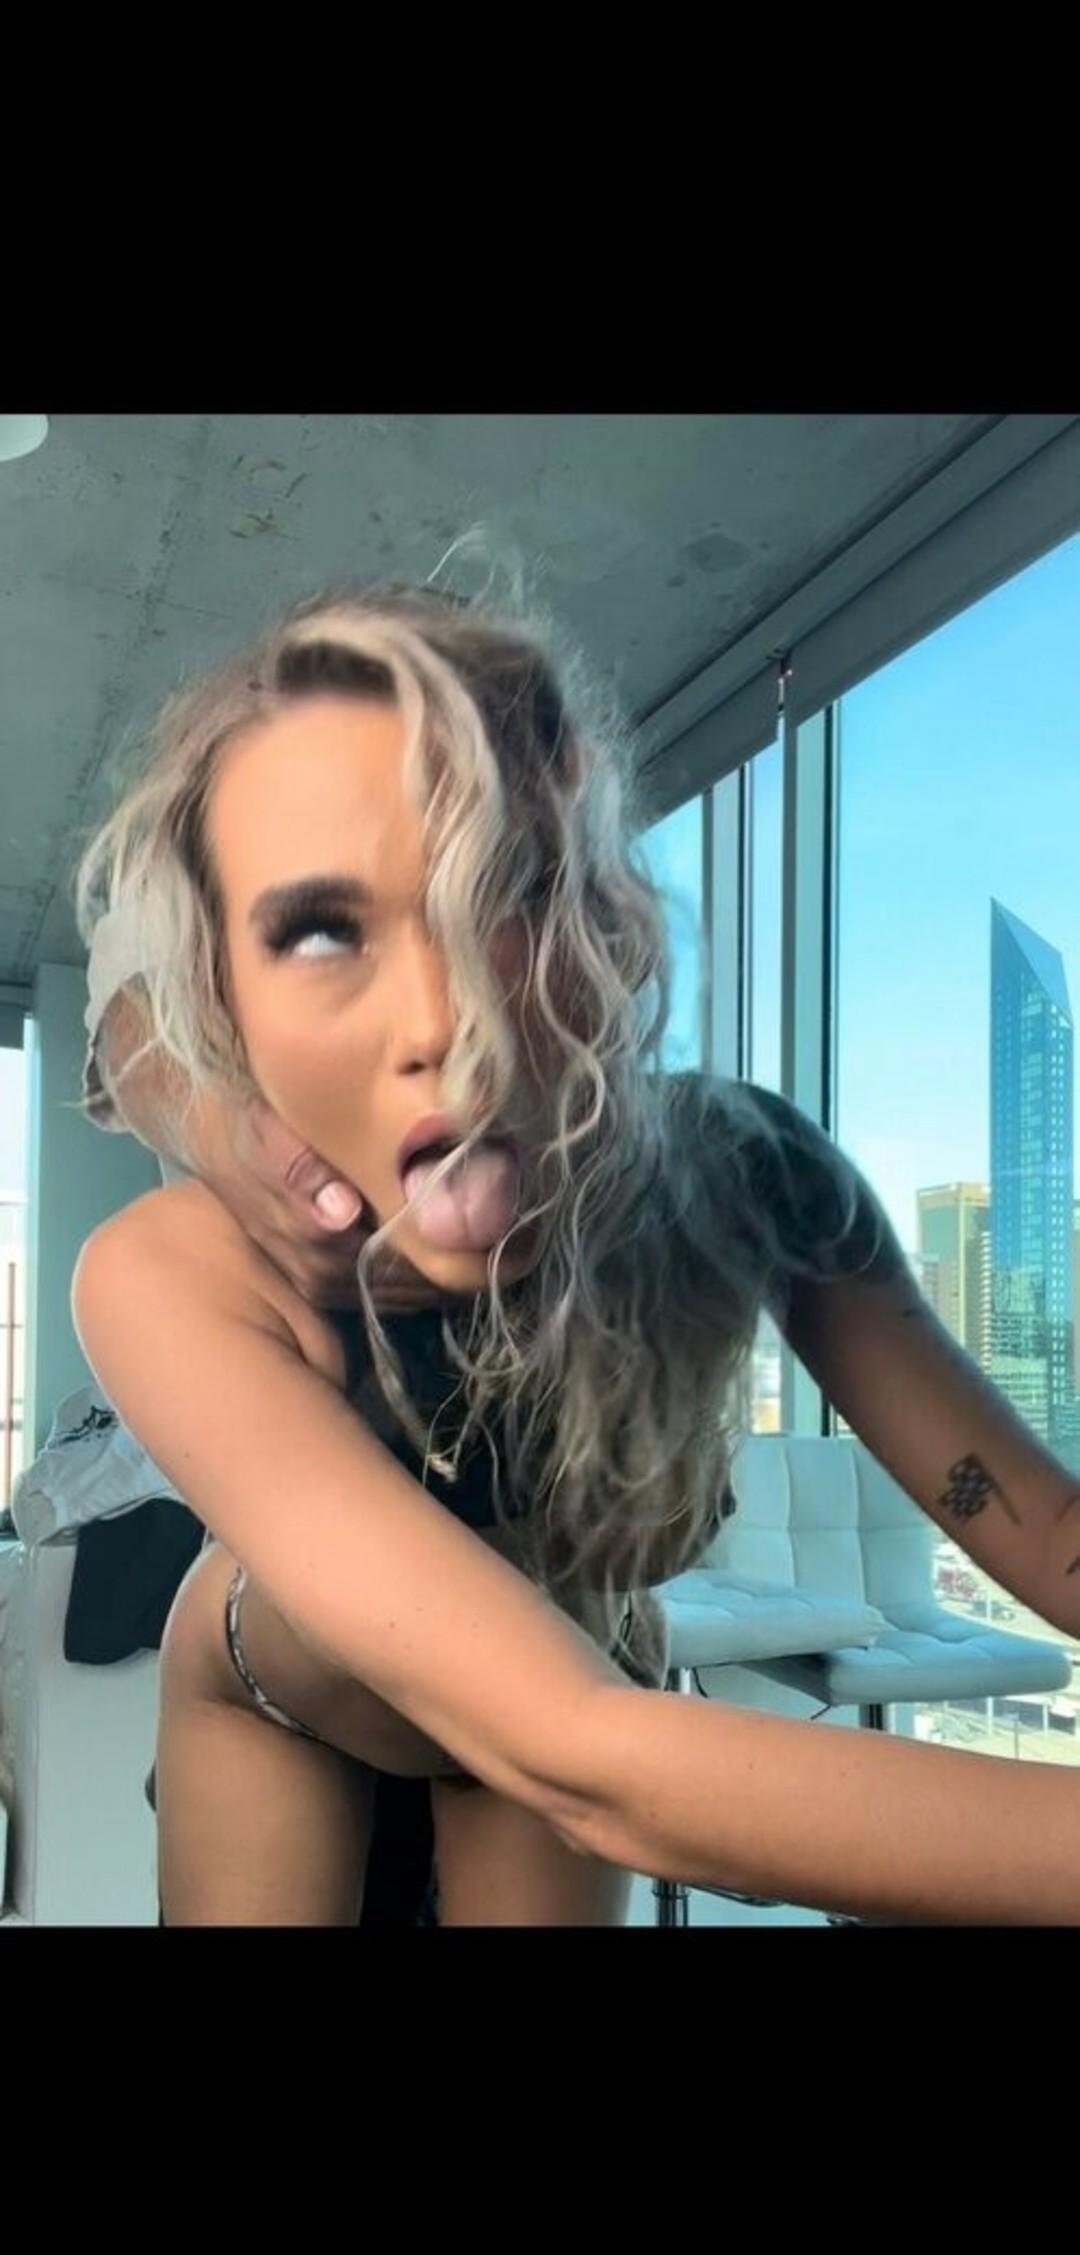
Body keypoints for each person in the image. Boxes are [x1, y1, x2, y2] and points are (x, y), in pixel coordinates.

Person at [70, 581, 1080, 1926]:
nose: (436, 1018)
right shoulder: (174, 1270)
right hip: (285, 1708)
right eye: (322, 933)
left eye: (501, 888)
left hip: (574, 1691)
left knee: (559, 1674)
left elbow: (1040, 1524)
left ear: (605, 912)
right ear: (227, 1002)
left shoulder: (750, 1179)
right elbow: (585, 1755)